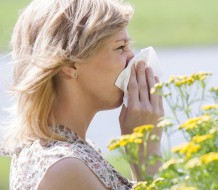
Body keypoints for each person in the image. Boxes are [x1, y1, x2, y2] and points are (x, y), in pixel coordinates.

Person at [0, 0, 164, 189]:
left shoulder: (69, 153)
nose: (133, 59)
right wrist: (145, 153)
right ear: (69, 64)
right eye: (120, 47)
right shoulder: (64, 168)